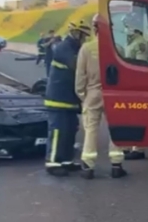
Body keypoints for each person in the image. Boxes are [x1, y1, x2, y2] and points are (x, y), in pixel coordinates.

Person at [75, 14, 127, 179]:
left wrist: (83, 96)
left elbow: (80, 76)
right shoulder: (118, 48)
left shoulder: (86, 48)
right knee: (116, 130)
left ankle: (88, 166)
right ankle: (116, 165)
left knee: (91, 130)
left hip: (93, 93)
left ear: (94, 28)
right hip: (114, 95)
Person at [44, 20, 91, 177]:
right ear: (76, 33)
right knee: (58, 131)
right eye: (83, 35)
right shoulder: (64, 48)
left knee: (70, 130)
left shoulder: (74, 48)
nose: (85, 39)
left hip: (69, 99)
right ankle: (53, 162)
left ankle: (66, 160)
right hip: (58, 99)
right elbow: (77, 66)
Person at [121, 12, 148, 160]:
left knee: (138, 116)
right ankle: (130, 146)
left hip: (137, 84)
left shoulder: (140, 43)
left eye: (127, 25)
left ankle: (139, 149)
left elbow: (140, 65)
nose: (125, 28)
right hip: (130, 83)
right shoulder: (131, 41)